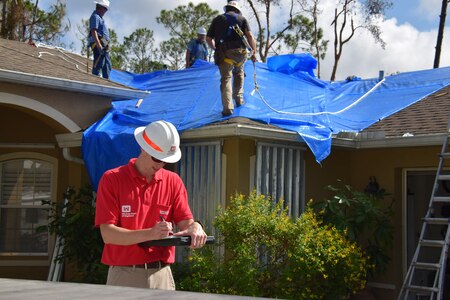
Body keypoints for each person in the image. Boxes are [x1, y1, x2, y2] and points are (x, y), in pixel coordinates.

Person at [95, 120, 207, 289]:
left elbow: (186, 223)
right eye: (157, 158)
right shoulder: (112, 180)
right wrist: (151, 234)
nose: (160, 164)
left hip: (161, 275)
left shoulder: (173, 181)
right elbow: (108, 235)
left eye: (165, 160)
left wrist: (196, 227)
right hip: (124, 276)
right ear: (143, 147)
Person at [206, 0, 257, 117]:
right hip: (240, 52)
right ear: (237, 10)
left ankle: (228, 108)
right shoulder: (242, 19)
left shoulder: (217, 19)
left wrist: (215, 49)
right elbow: (250, 36)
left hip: (224, 53)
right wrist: (254, 52)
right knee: (239, 73)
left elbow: (209, 38)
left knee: (226, 78)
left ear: (226, 9)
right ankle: (239, 100)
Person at [88, 0, 111, 79]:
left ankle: (106, 81)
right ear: (101, 8)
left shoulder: (100, 18)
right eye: (105, 9)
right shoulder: (95, 16)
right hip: (99, 43)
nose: (106, 11)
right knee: (99, 63)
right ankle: (95, 79)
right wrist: (99, 45)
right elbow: (94, 31)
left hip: (103, 44)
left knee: (107, 65)